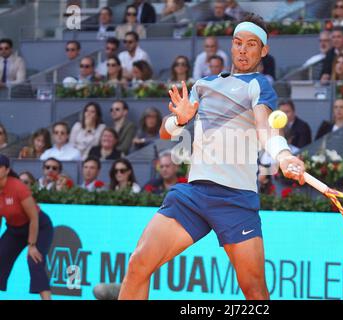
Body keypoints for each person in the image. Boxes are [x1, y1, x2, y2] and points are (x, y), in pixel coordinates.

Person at [118, 13, 305, 300]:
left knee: (255, 293)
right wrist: (179, 120)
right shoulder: (202, 85)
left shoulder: (258, 85)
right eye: (238, 43)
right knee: (137, 265)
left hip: (235, 199)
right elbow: (167, 133)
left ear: (263, 50)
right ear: (231, 46)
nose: (243, 50)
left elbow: (266, 127)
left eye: (251, 44)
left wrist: (283, 155)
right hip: (193, 195)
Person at [0, 155, 54, 300]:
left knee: (34, 260)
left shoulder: (18, 187)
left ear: (6, 170)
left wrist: (32, 245)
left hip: (39, 226)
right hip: (14, 229)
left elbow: (34, 217)